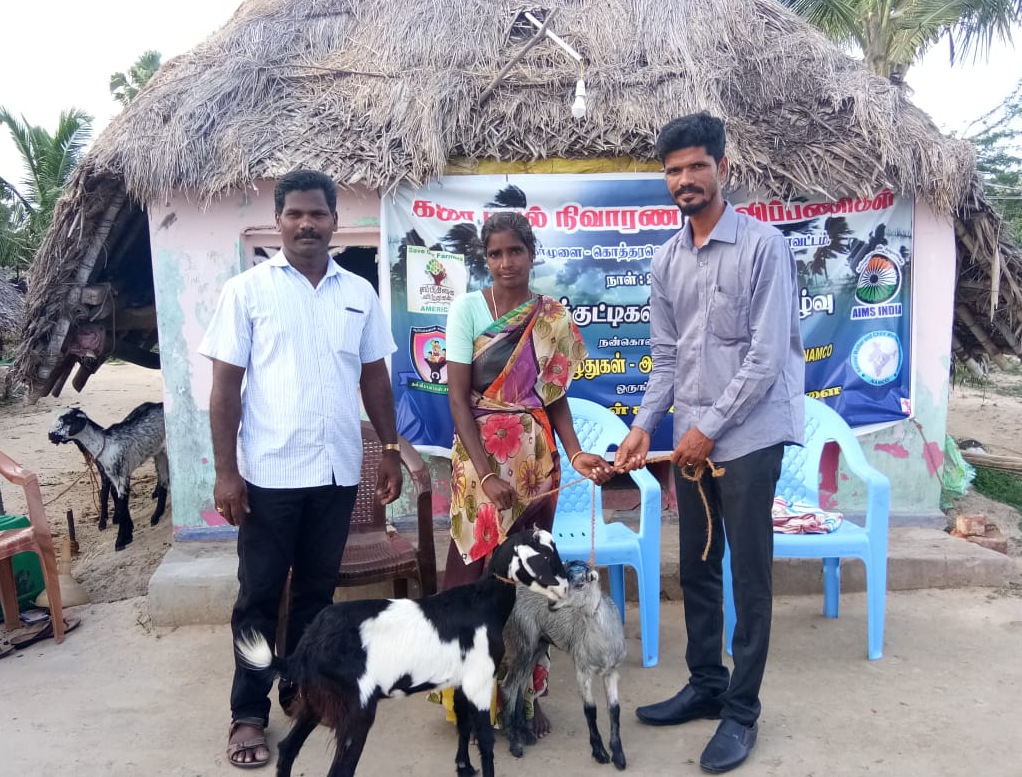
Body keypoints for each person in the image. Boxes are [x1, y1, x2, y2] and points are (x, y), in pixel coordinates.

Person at [615, 113, 804, 774]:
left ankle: (742, 712)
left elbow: (766, 359)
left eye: (697, 165)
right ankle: (706, 685)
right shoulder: (666, 259)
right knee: (697, 566)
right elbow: (666, 357)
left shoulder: (763, 247)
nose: (685, 179)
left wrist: (705, 430)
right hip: (693, 444)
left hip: (747, 439)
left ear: (722, 168)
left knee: (749, 577)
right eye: (673, 170)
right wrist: (644, 425)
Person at [199, 169, 402, 769]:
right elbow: (224, 389)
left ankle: (302, 689)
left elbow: (375, 379)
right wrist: (227, 472)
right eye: (295, 214)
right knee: (259, 597)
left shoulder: (358, 293)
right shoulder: (247, 291)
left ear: (335, 221)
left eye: (317, 214)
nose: (306, 224)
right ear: (278, 221)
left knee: (316, 594)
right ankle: (247, 713)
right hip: (269, 476)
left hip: (337, 473)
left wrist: (391, 451)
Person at [441, 211, 614, 735]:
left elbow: (553, 398)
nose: (505, 262)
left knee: (531, 582)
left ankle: (525, 695)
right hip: (480, 465)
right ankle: (469, 698)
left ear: (531, 253)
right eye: (495, 253)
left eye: (514, 251)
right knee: (476, 575)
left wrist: (576, 453)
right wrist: (485, 474)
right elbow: (457, 398)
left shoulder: (552, 317)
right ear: (485, 259)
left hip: (536, 464)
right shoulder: (467, 309)